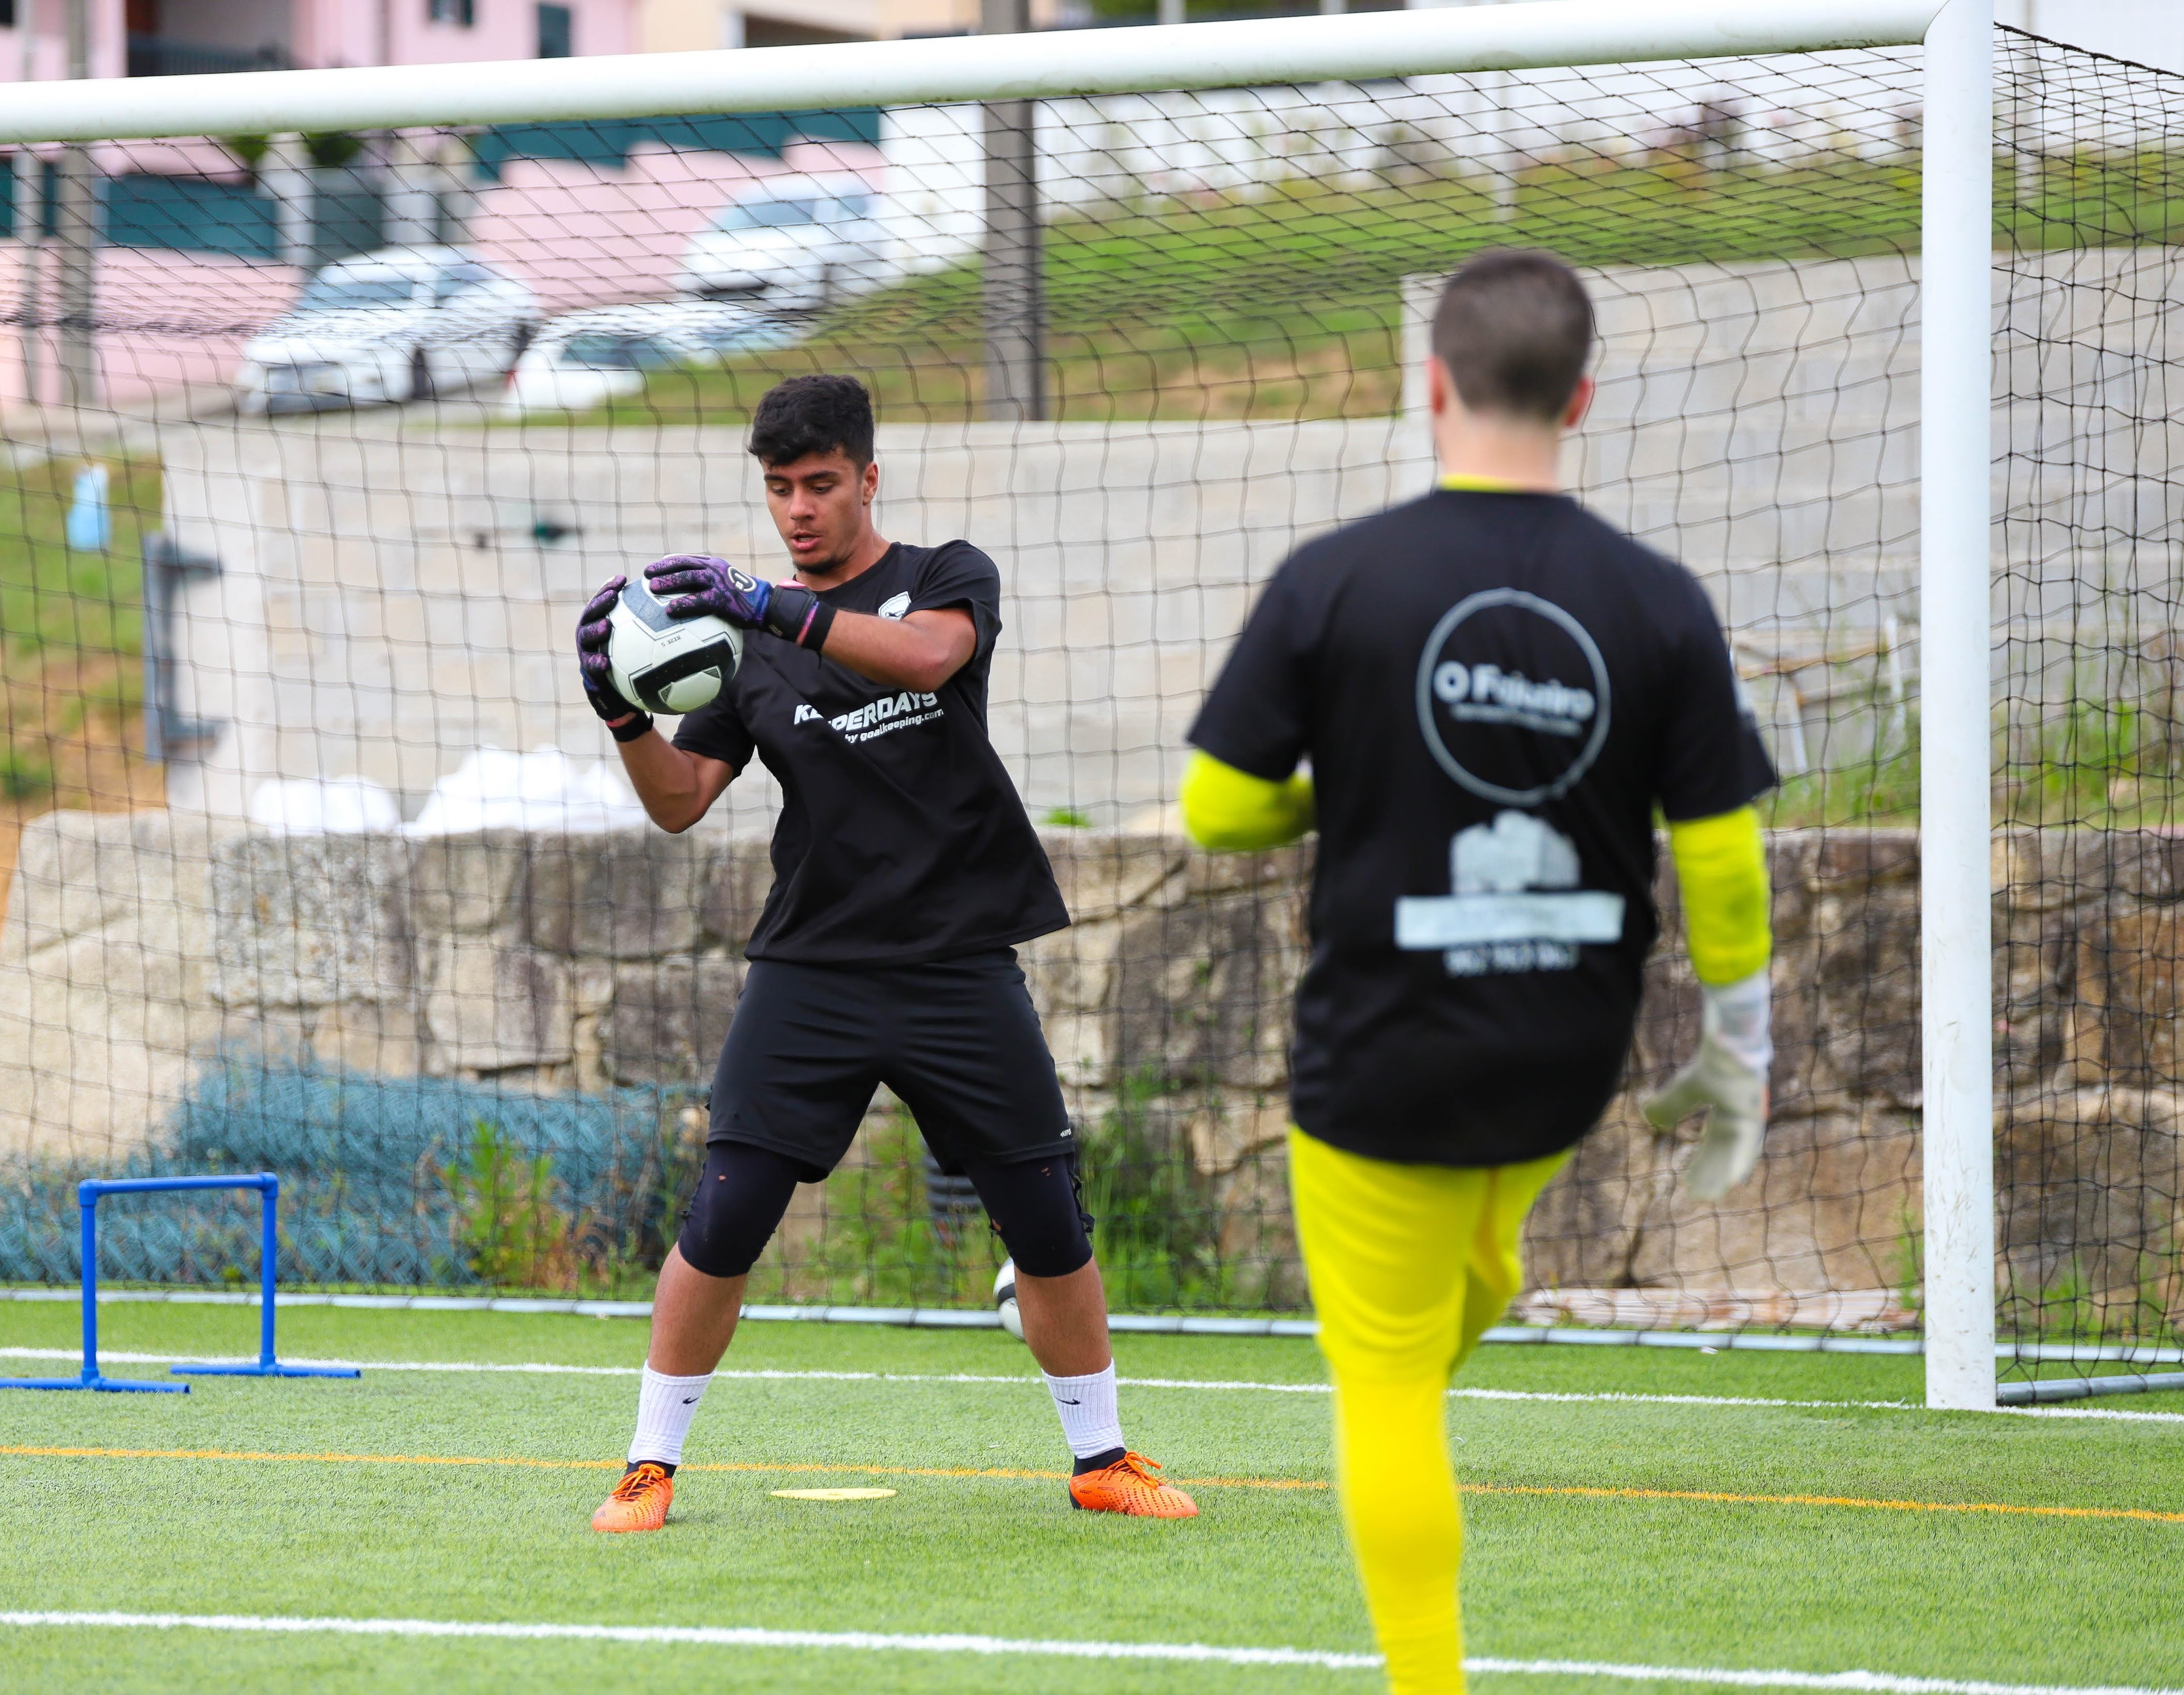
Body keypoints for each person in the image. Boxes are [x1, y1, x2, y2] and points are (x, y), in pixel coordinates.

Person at [1180, 248, 1777, 1695]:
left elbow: (1218, 810)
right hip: (1565, 1055)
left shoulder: (1336, 577)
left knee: (1383, 1390)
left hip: (1387, 1048)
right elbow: (1724, 854)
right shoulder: (1658, 597)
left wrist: (1355, 785)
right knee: (1474, 1262)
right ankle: (1489, 1261)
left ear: (1431, 385)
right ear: (1579, 396)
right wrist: (1742, 1050)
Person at [571, 373, 1200, 1534]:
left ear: (868, 476)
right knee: (727, 1208)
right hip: (813, 969)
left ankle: (1100, 1458)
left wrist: (770, 602)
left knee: (1046, 1215)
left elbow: (922, 660)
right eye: (778, 489)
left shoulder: (946, 576)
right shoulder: (744, 644)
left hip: (959, 958)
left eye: (820, 484)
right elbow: (678, 802)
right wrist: (618, 709)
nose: (799, 508)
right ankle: (648, 1467)